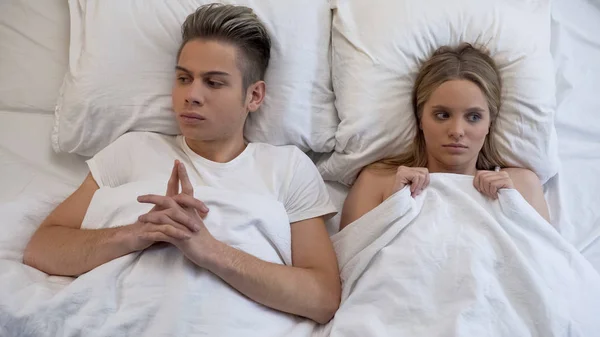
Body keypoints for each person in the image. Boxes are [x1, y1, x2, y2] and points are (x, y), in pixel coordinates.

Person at [23, 4, 341, 324]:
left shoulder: (287, 168)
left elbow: (322, 297)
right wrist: (135, 233)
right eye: (184, 78)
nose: (192, 95)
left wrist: (208, 250)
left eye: (213, 82)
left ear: (254, 96)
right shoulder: (131, 150)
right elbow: (42, 248)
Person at [340, 43, 551, 230]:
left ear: (490, 123)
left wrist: (513, 209)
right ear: (420, 118)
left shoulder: (521, 186)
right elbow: (348, 265)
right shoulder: (378, 182)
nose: (457, 130)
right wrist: (393, 207)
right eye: (442, 115)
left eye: (474, 117)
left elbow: (550, 266)